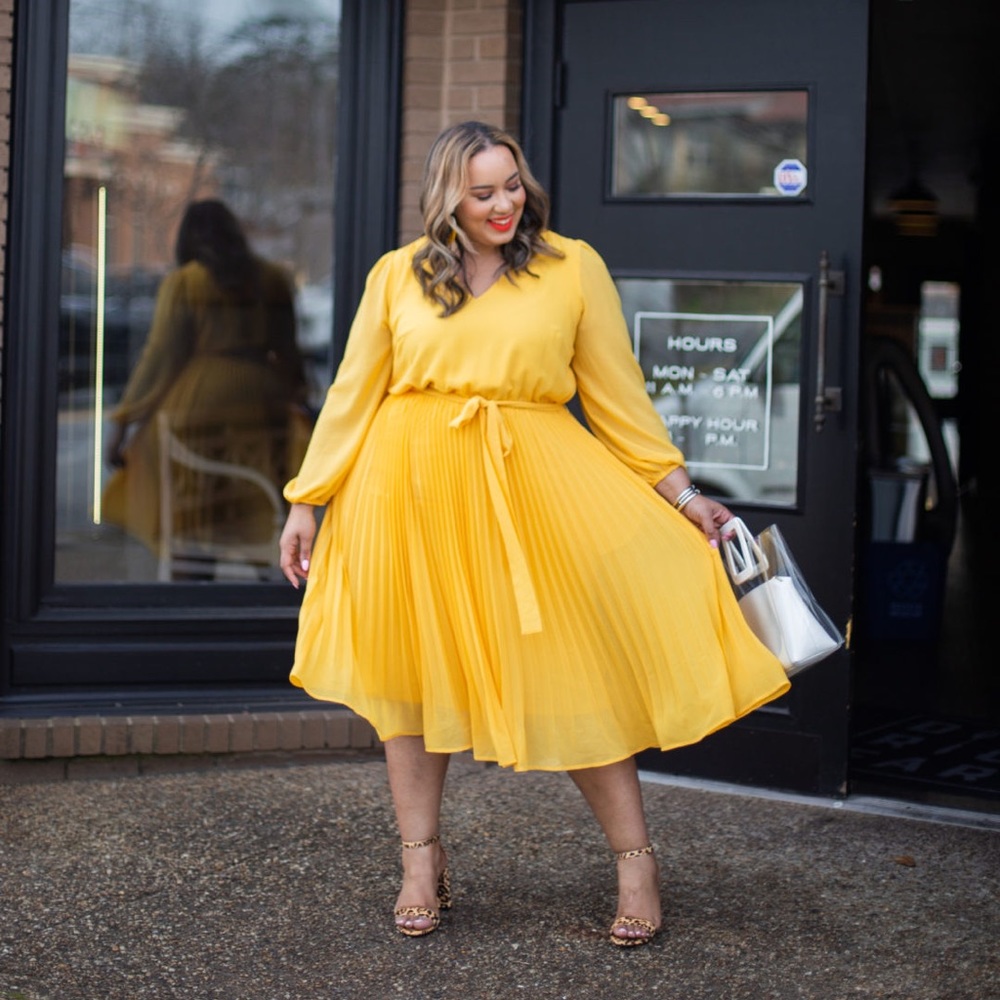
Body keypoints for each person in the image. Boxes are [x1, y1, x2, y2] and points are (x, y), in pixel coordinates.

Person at [278, 121, 790, 946]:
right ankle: (420, 861)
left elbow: (619, 401)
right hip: (405, 493)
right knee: (408, 687)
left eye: (512, 185)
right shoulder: (396, 276)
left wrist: (686, 497)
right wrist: (308, 499)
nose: (504, 204)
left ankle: (636, 863)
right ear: (448, 197)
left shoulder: (570, 266)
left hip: (532, 493)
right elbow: (352, 394)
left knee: (573, 672)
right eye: (482, 193)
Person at [104, 198, 310, 576]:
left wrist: (122, 423)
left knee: (193, 514)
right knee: (257, 509)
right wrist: (297, 397)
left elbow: (160, 357)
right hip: (262, 403)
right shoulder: (273, 279)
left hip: (198, 402)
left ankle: (194, 596)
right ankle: (272, 595)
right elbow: (289, 352)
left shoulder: (185, 282)